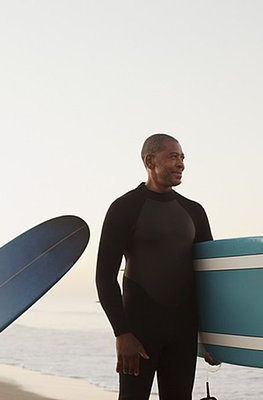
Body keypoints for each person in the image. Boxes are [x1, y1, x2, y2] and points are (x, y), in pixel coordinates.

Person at [96, 133, 217, 400]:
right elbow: (104, 277)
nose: (181, 164)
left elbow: (210, 278)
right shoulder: (124, 208)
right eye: (173, 156)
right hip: (139, 331)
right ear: (150, 160)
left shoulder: (194, 211)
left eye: (183, 157)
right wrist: (122, 333)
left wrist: (214, 335)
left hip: (183, 331)